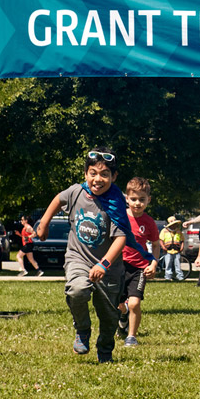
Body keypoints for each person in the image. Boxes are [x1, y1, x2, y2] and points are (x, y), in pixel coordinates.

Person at [36, 149, 127, 363]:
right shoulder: (76, 191)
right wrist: (44, 223)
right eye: (93, 173)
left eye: (104, 174)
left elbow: (121, 238)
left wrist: (104, 264)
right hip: (78, 258)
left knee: (109, 316)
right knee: (77, 290)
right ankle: (83, 329)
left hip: (108, 268)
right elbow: (58, 199)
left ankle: (105, 350)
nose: (98, 179)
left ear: (114, 177)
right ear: (85, 173)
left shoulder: (116, 202)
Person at [117, 177, 159, 347]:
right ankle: (122, 315)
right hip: (118, 266)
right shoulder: (120, 217)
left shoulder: (149, 222)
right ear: (126, 198)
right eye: (133, 199)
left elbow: (155, 245)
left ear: (148, 200)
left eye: (142, 200)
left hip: (139, 268)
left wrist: (153, 263)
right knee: (119, 304)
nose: (137, 203)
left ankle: (131, 337)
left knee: (134, 303)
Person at [160, 216, 184, 281]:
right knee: (168, 265)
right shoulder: (164, 231)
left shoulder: (178, 231)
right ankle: (168, 277)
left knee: (178, 265)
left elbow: (182, 240)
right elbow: (161, 240)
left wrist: (182, 247)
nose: (174, 226)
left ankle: (180, 277)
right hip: (168, 250)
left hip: (177, 250)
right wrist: (163, 247)